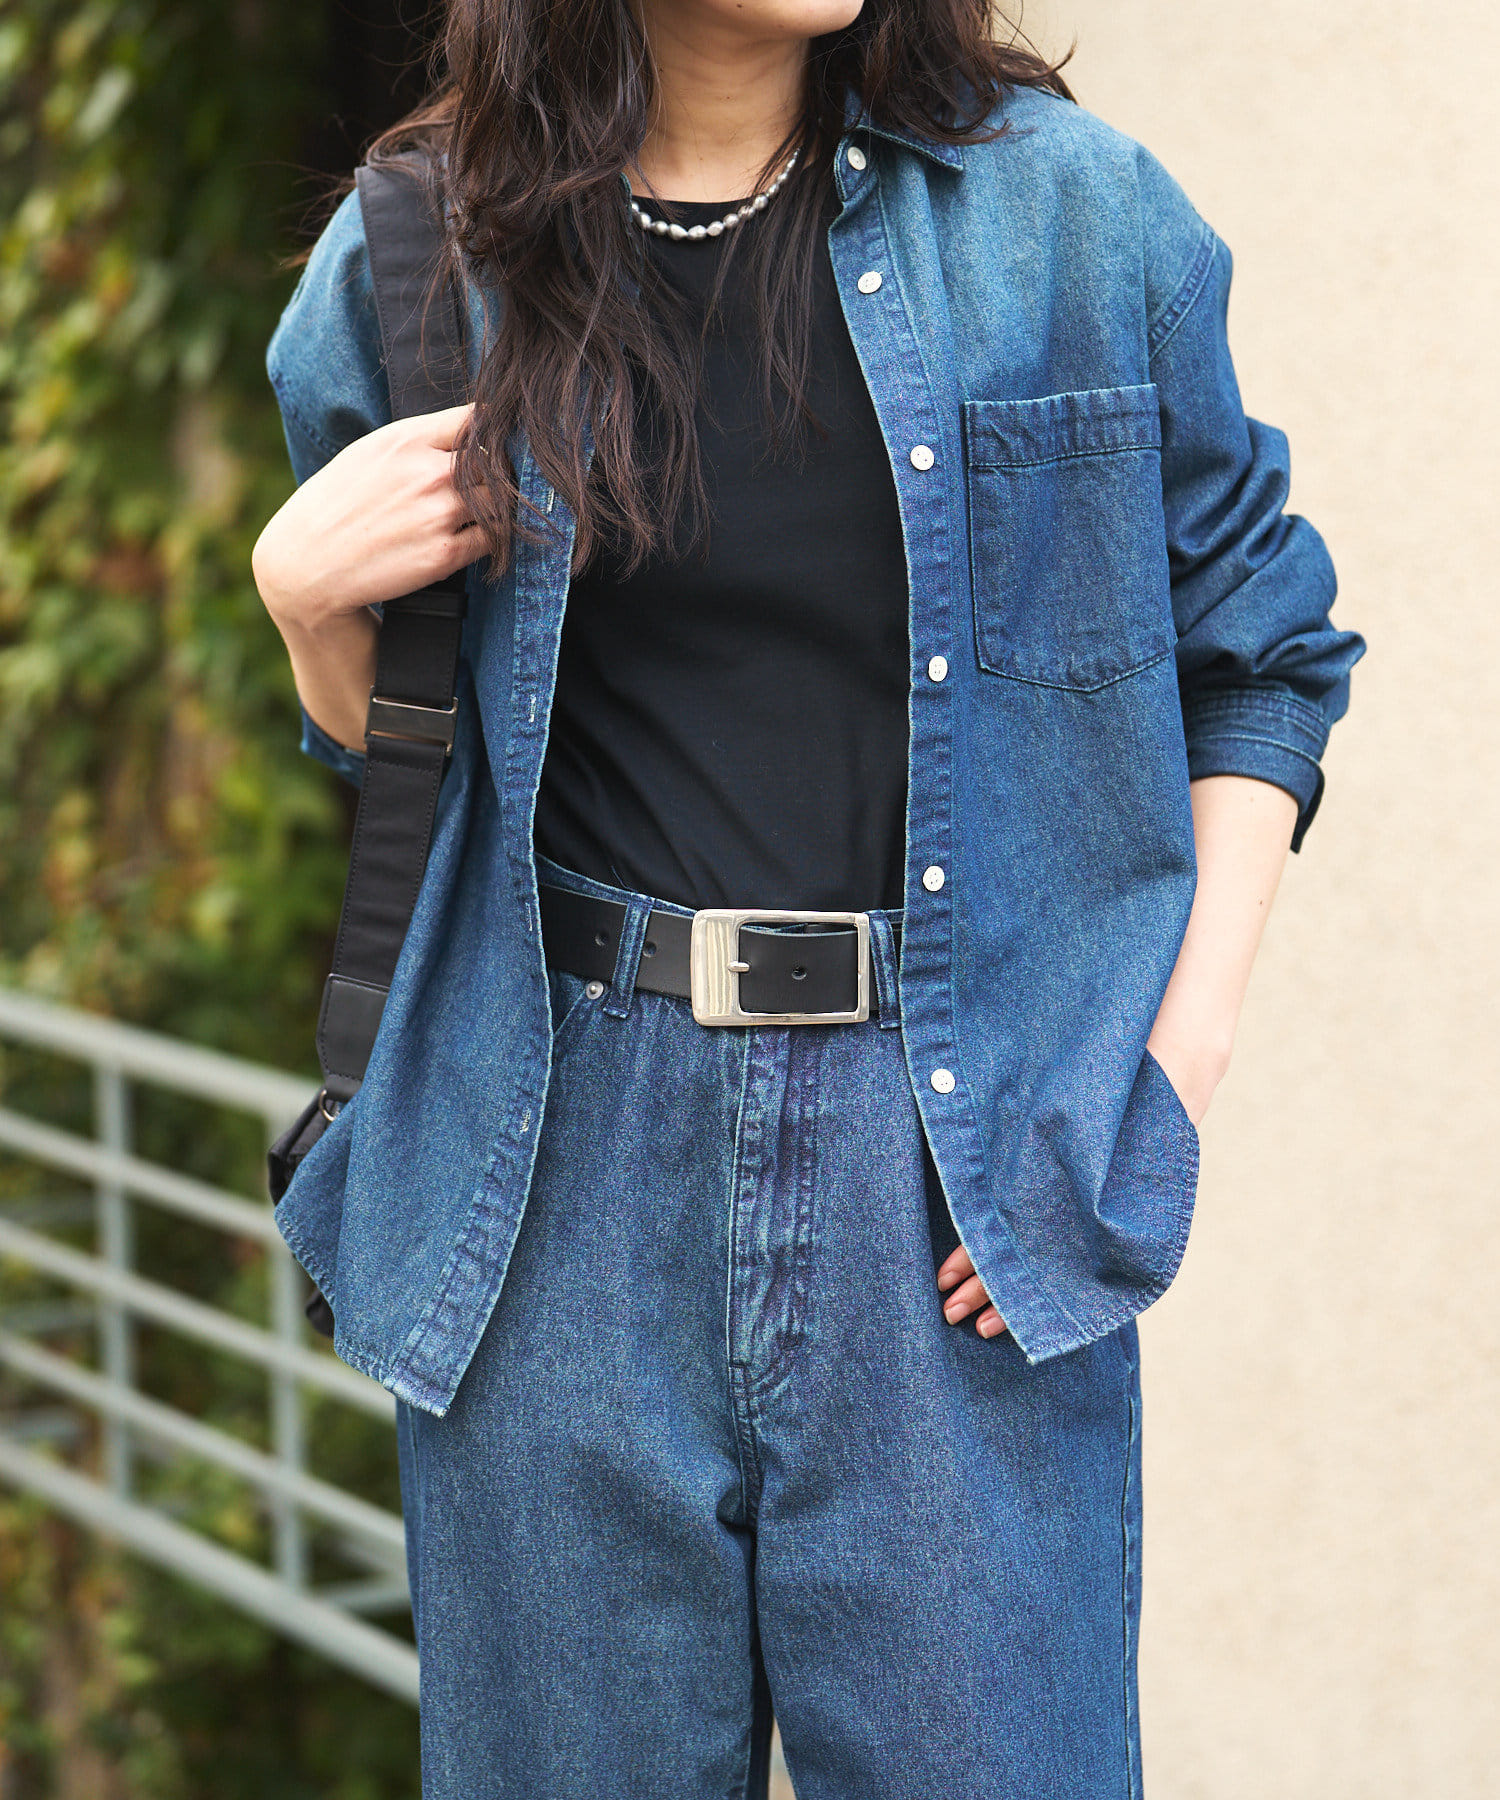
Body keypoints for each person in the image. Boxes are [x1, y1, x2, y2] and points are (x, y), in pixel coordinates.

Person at [250, 0, 1364, 1791]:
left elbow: (1259, 657)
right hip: (559, 1176)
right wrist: (308, 611)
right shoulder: (422, 252)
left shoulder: (1070, 218)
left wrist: (1169, 1071)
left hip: (947, 1171)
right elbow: (419, 765)